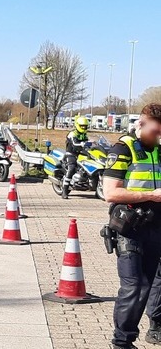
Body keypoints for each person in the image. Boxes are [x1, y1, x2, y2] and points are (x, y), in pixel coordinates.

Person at [103, 103, 161, 349]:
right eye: (155, 131)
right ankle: (121, 342)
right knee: (134, 285)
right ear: (141, 123)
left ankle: (145, 331)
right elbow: (110, 193)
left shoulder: (159, 149)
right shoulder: (123, 149)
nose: (158, 137)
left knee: (150, 283)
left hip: (155, 225)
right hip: (129, 226)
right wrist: (152, 196)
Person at [61, 116, 90, 199]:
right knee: (71, 168)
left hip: (81, 154)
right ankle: (65, 191)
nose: (84, 127)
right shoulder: (72, 134)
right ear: (77, 125)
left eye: (85, 126)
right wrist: (82, 144)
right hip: (70, 153)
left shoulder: (84, 134)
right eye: (82, 126)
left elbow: (88, 142)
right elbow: (74, 144)